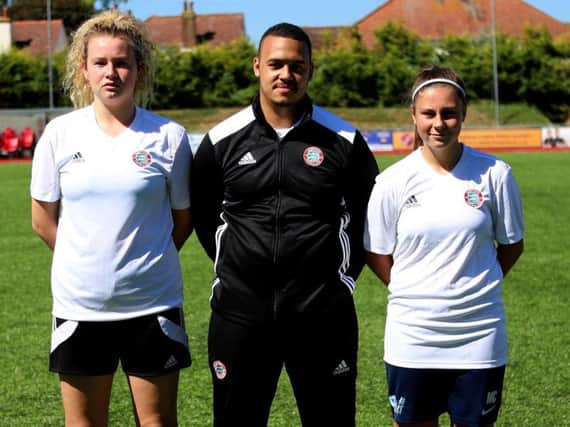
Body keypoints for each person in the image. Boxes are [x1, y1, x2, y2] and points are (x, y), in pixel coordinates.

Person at [191, 22, 378, 427]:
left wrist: (339, 283)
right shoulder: (221, 140)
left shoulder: (344, 140)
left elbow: (369, 218)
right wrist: (237, 268)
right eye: (276, 64)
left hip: (322, 317)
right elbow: (204, 218)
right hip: (240, 317)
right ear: (257, 66)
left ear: (310, 70)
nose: (286, 75)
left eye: (297, 66)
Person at [30, 10, 192, 426]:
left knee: (157, 423)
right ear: (83, 69)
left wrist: (141, 261)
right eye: (100, 62)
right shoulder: (60, 135)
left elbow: (183, 220)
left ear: (139, 68)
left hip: (153, 304)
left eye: (121, 62)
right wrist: (85, 260)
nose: (111, 72)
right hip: (80, 306)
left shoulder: (168, 137)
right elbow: (43, 219)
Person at [364, 65, 524, 427]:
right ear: (414, 117)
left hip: (479, 333)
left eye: (449, 113)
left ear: (463, 114)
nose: (439, 123)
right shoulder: (392, 182)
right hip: (413, 335)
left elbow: (512, 245)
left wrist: (474, 287)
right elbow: (375, 251)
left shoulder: (496, 174)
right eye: (429, 113)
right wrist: (413, 290)